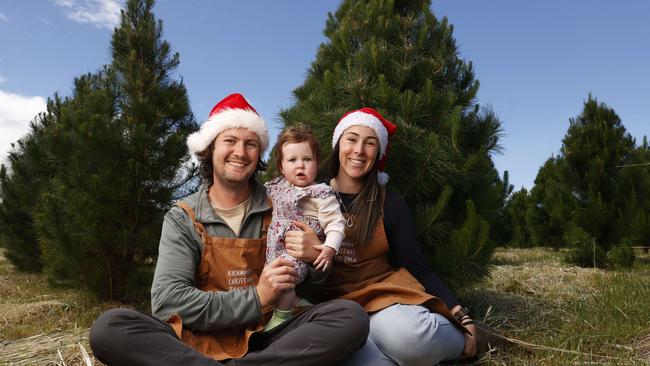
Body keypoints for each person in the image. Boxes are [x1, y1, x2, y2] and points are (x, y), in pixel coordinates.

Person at [88, 93, 369, 366]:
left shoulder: (282, 202)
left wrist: (314, 259)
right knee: (110, 328)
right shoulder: (183, 216)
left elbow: (309, 284)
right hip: (194, 340)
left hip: (268, 336)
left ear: (259, 153)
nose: (240, 152)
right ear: (210, 149)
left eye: (250, 144)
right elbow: (168, 303)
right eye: (230, 141)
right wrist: (256, 297)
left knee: (350, 317)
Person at [284, 107, 477, 365]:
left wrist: (459, 312)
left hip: (385, 302)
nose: (359, 150)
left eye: (370, 143)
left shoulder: (390, 203)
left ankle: (460, 342)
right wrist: (311, 256)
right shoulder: (306, 197)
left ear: (378, 153)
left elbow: (418, 267)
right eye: (351, 139)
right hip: (336, 312)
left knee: (408, 337)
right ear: (338, 142)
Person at [263, 125, 346, 331]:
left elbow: (336, 223)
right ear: (281, 167)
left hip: (298, 253)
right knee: (271, 277)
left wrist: (329, 248)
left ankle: (281, 317)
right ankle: (297, 303)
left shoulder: (321, 194)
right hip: (275, 247)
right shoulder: (278, 187)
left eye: (307, 160)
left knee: (285, 277)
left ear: (316, 164)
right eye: (292, 160)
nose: (300, 166)